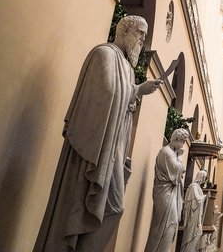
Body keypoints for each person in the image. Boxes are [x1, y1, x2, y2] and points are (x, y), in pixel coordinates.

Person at [34, 15, 163, 252]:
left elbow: (121, 100)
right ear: (124, 31)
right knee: (98, 206)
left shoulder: (127, 68)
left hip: (112, 147)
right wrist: (134, 92)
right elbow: (104, 95)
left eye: (144, 36)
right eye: (140, 34)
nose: (142, 41)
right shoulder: (103, 54)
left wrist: (136, 91)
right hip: (94, 148)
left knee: (113, 209)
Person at [145, 128, 191, 252]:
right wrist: (179, 157)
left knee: (172, 223)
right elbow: (179, 169)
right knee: (165, 226)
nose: (182, 145)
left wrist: (178, 156)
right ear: (176, 139)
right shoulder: (166, 152)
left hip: (170, 192)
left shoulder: (173, 153)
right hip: (164, 194)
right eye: (181, 141)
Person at [179, 169, 208, 252]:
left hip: (196, 216)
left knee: (198, 234)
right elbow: (197, 201)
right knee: (193, 236)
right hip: (192, 216)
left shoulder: (197, 187)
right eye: (204, 177)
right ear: (201, 177)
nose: (204, 180)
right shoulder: (193, 186)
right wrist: (205, 197)